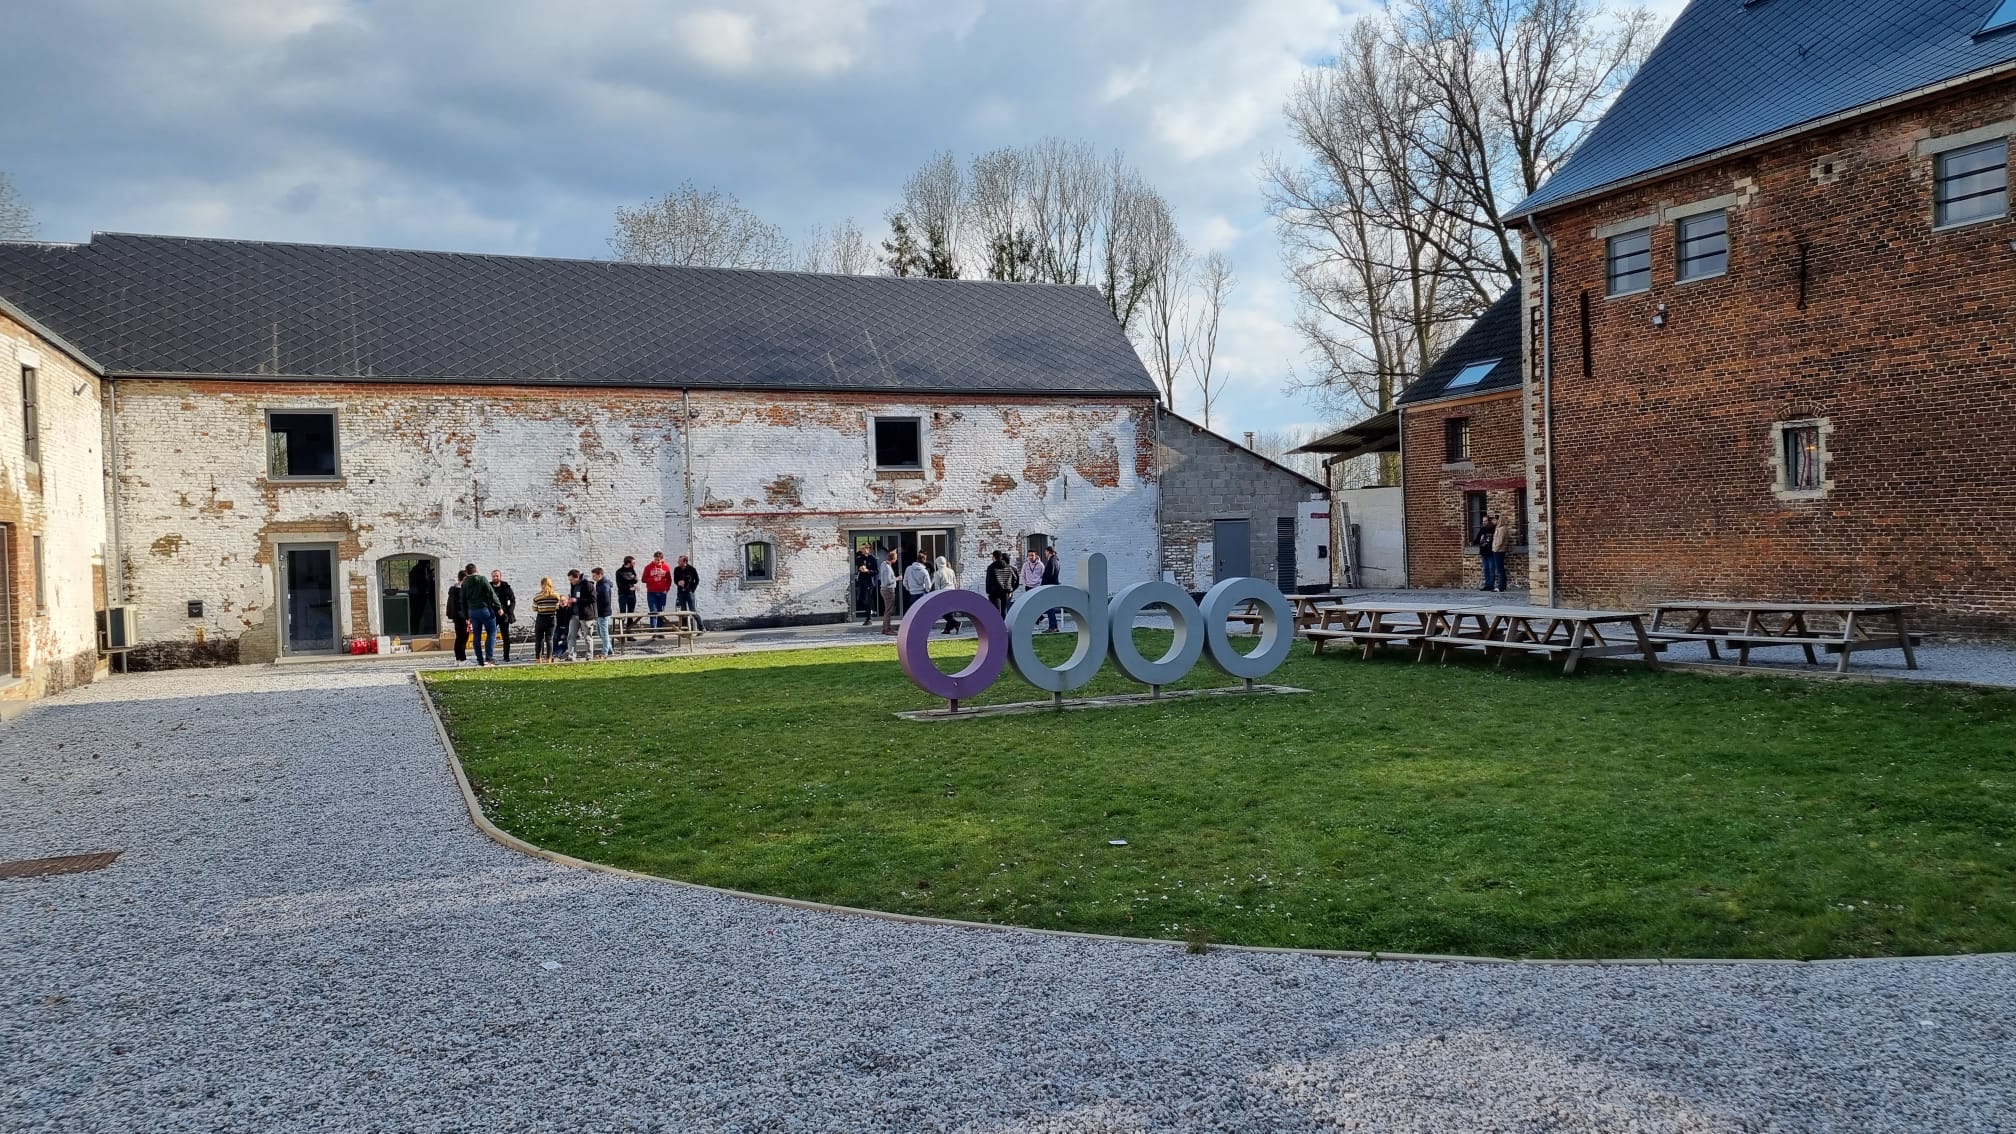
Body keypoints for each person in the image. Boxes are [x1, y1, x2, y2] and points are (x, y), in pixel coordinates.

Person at [460, 562, 501, 667]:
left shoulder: (464, 583)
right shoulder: (482, 579)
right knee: (491, 633)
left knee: (476, 636)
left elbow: (463, 601)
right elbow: (491, 593)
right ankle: (489, 659)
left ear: (467, 572)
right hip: (485, 609)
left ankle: (480, 660)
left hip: (472, 611)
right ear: (476, 570)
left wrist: (466, 617)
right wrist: (498, 606)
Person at [568, 568, 599, 660]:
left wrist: (577, 600)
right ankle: (571, 655)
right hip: (574, 614)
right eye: (570, 580)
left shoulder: (588, 585)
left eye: (572, 579)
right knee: (571, 635)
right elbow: (574, 596)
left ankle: (589, 655)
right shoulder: (573, 586)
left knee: (587, 636)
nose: (571, 581)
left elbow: (593, 599)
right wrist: (571, 602)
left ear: (577, 577)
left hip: (586, 615)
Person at [531, 578, 563, 664]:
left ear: (541, 585)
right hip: (552, 618)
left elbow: (534, 608)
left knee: (539, 639)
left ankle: (538, 658)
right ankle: (549, 658)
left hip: (541, 618)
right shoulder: (556, 596)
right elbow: (558, 607)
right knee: (549, 639)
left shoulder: (537, 596)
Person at [490, 569, 517, 663]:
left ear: (500, 577)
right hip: (492, 615)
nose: (495, 578)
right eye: (493, 576)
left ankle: (506, 656)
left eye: (497, 576)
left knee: (505, 636)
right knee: (491, 636)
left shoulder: (506, 587)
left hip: (504, 615)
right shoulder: (489, 587)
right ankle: (489, 657)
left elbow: (512, 600)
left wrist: (508, 612)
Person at [673, 554, 703, 631]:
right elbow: (675, 580)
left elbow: (697, 580)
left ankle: (701, 627)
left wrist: (692, 589)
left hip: (689, 592)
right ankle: (685, 628)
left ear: (685, 561)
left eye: (679, 561)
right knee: (683, 611)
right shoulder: (677, 569)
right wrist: (678, 583)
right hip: (680, 593)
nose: (678, 562)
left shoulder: (692, 569)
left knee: (692, 610)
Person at [553, 571, 578, 661]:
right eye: (561, 601)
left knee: (564, 640)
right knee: (555, 638)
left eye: (564, 600)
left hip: (567, 627)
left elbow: (569, 621)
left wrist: (564, 633)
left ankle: (557, 654)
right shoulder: (558, 609)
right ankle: (555, 653)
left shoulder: (569, 609)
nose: (562, 602)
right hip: (560, 627)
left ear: (567, 601)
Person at [592, 566, 617, 656]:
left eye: (594, 576)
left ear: (600, 575)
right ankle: (609, 650)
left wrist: (598, 604)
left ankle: (605, 652)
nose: (593, 578)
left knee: (604, 633)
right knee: (600, 632)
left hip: (603, 612)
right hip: (600, 612)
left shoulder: (604, 585)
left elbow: (606, 600)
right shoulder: (600, 583)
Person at [932, 555, 960, 635]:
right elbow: (955, 582)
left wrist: (936, 596)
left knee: (942, 612)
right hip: (952, 591)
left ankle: (955, 623)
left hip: (943, 593)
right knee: (949, 612)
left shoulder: (938, 573)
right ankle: (947, 629)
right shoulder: (951, 571)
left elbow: (937, 586)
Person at [854, 545, 881, 626]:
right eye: (863, 548)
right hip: (862, 581)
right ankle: (869, 611)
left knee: (867, 599)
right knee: (861, 599)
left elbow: (876, 571)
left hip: (869, 581)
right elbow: (857, 564)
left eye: (866, 548)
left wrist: (868, 571)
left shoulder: (872, 558)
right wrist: (860, 568)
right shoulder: (859, 557)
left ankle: (869, 618)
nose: (865, 550)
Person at [446, 566, 468, 662]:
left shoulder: (453, 589)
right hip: (462, 616)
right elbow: (461, 605)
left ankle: (458, 657)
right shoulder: (460, 590)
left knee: (460, 637)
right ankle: (461, 658)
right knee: (463, 637)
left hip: (456, 616)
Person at [1476, 513, 1501, 592]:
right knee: (1486, 569)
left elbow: (1496, 540)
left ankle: (1491, 584)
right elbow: (1477, 539)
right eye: (1483, 521)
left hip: (1491, 552)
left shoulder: (1493, 529)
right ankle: (1487, 584)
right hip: (1483, 552)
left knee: (1491, 569)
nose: (1484, 523)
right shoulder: (1482, 529)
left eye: (1485, 521)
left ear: (1489, 521)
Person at [984, 551, 1013, 617]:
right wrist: (1010, 589)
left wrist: (988, 591)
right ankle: (1004, 625)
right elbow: (1011, 578)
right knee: (1003, 610)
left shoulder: (991, 567)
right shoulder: (1008, 567)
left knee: (996, 611)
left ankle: (997, 626)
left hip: (995, 592)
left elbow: (989, 580)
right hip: (1005, 591)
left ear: (994, 557)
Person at [902, 550, 932, 616]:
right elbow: (928, 586)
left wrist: (909, 589)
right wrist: (926, 590)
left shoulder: (909, 568)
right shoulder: (924, 571)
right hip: (922, 594)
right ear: (924, 560)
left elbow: (904, 582)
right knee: (923, 613)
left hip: (912, 594)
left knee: (913, 613)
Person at [1040, 545, 1062, 633]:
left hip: (1049, 586)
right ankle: (1054, 626)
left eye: (1045, 552)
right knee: (1050, 607)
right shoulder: (1057, 560)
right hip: (1053, 585)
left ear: (1048, 552)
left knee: (1049, 607)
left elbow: (1049, 573)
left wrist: (1044, 582)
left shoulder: (1052, 561)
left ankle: (1053, 626)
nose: (1045, 554)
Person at [1489, 512, 1512, 593]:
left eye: (1494, 520)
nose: (1493, 521)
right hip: (1498, 550)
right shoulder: (1499, 528)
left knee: (1500, 569)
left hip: (1499, 551)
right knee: (1500, 569)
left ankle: (1501, 586)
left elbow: (1499, 542)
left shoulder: (1502, 529)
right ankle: (1502, 586)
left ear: (1498, 520)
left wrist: (1495, 549)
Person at [878, 550, 899, 635]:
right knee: (889, 611)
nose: (897, 559)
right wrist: (897, 578)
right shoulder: (887, 567)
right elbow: (888, 581)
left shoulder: (884, 564)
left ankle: (884, 628)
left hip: (884, 589)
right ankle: (887, 629)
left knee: (887, 610)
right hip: (888, 590)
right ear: (893, 559)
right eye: (896, 558)